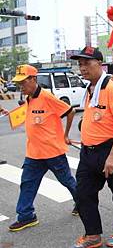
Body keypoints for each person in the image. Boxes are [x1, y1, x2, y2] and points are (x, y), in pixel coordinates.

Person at [70, 47, 113, 248]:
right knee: (83, 193)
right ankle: (92, 235)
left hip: (109, 150)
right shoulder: (90, 89)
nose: (82, 68)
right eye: (80, 64)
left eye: (87, 63)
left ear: (100, 64)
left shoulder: (110, 88)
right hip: (88, 152)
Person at [7, 65, 77, 232]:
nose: (21, 87)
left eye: (23, 83)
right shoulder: (29, 98)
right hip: (34, 153)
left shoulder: (47, 97)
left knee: (67, 181)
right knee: (27, 183)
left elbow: (70, 111)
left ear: (33, 79)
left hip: (53, 151)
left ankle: (82, 203)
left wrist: (65, 135)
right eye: (19, 84)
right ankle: (26, 216)